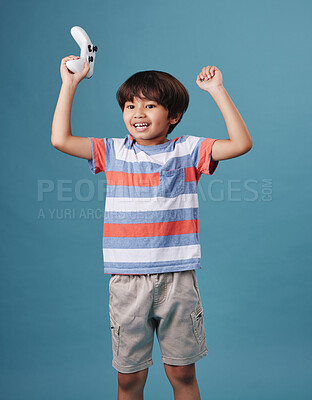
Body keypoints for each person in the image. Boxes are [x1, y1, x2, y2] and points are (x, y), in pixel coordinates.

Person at [51, 55, 252, 400]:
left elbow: (240, 144)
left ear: (173, 116)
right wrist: (70, 84)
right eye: (130, 105)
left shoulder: (188, 150)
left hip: (178, 280)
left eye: (150, 105)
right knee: (129, 380)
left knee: (182, 373)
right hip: (127, 283)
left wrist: (217, 91)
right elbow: (61, 139)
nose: (138, 113)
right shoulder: (112, 152)